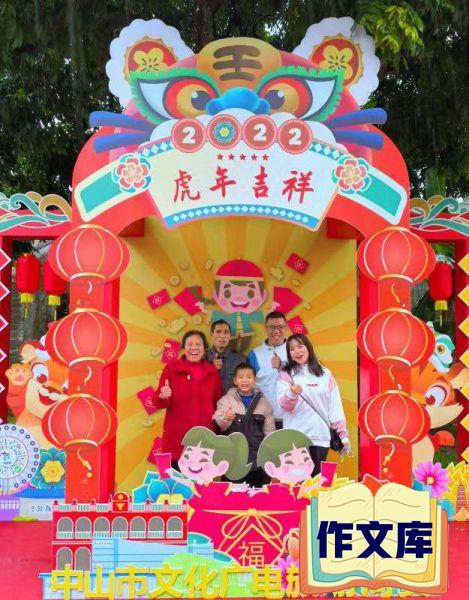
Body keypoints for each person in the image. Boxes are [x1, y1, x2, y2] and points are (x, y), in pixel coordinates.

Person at [277, 334, 351, 476]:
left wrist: (343, 436)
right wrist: (292, 393)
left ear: (308, 348)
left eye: (300, 346)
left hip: (320, 437)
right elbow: (284, 405)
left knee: (316, 483)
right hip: (295, 439)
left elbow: (335, 407)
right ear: (289, 353)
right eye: (292, 349)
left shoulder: (325, 374)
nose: (297, 351)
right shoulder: (286, 374)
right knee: (296, 483)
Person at [155, 330, 222, 469]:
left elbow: (217, 405)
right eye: (190, 344)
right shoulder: (171, 369)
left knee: (200, 480)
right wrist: (163, 396)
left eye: (198, 344)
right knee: (173, 480)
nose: (194, 348)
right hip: (176, 439)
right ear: (184, 349)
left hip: (203, 440)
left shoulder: (212, 373)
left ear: (204, 349)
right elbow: (159, 402)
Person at [213, 362, 275, 487]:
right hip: (233, 461)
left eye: (249, 377)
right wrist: (225, 417)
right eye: (241, 377)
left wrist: (269, 457)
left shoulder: (264, 403)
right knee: (233, 496)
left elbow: (270, 433)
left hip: (258, 462)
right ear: (235, 380)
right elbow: (218, 423)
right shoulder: (226, 400)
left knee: (258, 495)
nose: (245, 380)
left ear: (254, 380)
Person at [248, 311, 288, 429]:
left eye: (280, 327)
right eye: (271, 327)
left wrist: (282, 366)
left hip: (293, 417)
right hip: (264, 419)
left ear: (286, 328)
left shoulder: (296, 351)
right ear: (265, 328)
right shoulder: (255, 354)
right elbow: (249, 387)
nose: (276, 331)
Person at [206, 319, 246, 394]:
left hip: (232, 401)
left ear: (230, 335)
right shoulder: (202, 359)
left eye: (226, 332)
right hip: (208, 401)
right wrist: (210, 368)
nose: (222, 336)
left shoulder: (241, 360)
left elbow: (246, 386)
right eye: (218, 332)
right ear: (211, 334)